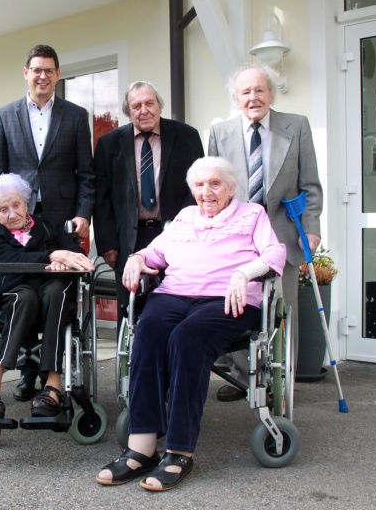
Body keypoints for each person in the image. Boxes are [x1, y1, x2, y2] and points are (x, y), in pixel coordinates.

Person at [95, 157, 286, 491]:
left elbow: (274, 254)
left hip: (228, 300)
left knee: (187, 338)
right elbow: (154, 254)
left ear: (230, 187)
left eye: (215, 184)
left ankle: (180, 451)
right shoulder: (185, 217)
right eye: (199, 185)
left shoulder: (252, 214)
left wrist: (244, 273)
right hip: (175, 294)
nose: (206, 191)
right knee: (149, 332)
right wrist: (136, 258)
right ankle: (141, 448)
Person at [208, 63, 323, 402]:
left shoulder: (296, 126)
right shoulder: (221, 133)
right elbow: (212, 190)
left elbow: (310, 185)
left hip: (283, 235)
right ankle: (244, 379)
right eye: (246, 92)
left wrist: (311, 230)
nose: (253, 97)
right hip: (237, 237)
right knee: (238, 307)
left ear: (271, 93)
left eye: (260, 90)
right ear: (236, 97)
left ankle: (281, 380)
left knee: (282, 310)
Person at [0, 44, 95, 401]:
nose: (42, 76)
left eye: (49, 70)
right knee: (24, 289)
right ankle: (27, 371)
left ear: (57, 75)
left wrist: (83, 213)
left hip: (60, 223)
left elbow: (87, 174)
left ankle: (51, 371)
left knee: (54, 292)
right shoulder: (5, 116)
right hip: (18, 221)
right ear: (26, 73)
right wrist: (1, 216)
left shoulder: (76, 116)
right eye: (36, 69)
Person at [0, 173, 94, 419]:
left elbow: (71, 253)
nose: (11, 214)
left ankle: (53, 382)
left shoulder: (49, 222)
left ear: (26, 203)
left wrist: (66, 259)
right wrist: (51, 256)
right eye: (3, 209)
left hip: (51, 290)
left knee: (57, 291)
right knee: (25, 296)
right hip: (13, 292)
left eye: (16, 205)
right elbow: (8, 259)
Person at [93, 81, 203, 320]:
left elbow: (198, 188)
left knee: (176, 305)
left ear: (159, 106)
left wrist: (182, 224)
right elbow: (101, 197)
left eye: (149, 103)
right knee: (131, 310)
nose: (144, 110)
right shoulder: (109, 144)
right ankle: (135, 357)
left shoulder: (187, 136)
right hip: (129, 239)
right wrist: (107, 244)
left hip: (175, 233)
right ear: (128, 112)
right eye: (136, 106)